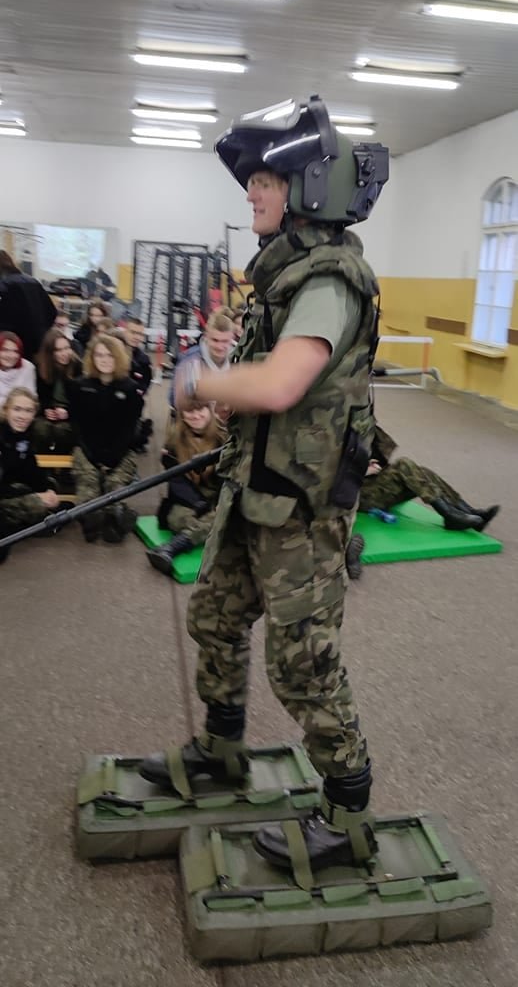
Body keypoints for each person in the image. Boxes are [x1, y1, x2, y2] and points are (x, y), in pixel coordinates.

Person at [139, 95, 389, 873]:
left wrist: (198, 382)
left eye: (264, 180)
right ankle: (221, 751)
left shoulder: (331, 278)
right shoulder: (283, 274)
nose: (250, 191)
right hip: (256, 486)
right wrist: (227, 404)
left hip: (303, 509)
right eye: (250, 179)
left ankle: (347, 813)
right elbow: (266, 389)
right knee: (214, 614)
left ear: (309, 189)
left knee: (303, 663)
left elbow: (283, 383)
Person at [359, 421, 500, 533]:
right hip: (359, 498)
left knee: (423, 473)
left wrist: (370, 463)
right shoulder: (345, 432)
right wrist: (364, 470)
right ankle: (448, 514)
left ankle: (468, 511)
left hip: (369, 486)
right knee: (404, 464)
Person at [69, 334, 142, 543]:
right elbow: (77, 426)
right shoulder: (80, 386)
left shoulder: (130, 389)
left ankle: (118, 517)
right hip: (88, 450)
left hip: (120, 451)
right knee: (87, 492)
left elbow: (129, 429)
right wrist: (92, 457)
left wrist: (113, 458)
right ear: (92, 358)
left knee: (115, 490)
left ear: (118, 357)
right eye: (99, 355)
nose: (104, 360)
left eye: (109, 355)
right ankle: (92, 518)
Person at [147, 403, 227, 575]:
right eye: (189, 411)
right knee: (181, 519)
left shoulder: (224, 438)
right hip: (187, 501)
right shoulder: (173, 441)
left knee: (221, 519)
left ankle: (171, 547)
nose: (195, 415)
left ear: (209, 410)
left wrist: (218, 505)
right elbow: (176, 482)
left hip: (217, 499)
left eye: (200, 410)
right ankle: (202, 533)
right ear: (182, 414)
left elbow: (230, 477)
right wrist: (198, 504)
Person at [0, 387, 60, 564]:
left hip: (9, 488)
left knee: (53, 495)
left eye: (28, 411)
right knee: (38, 507)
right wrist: (35, 496)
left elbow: (31, 469)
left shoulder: (23, 436)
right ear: (6, 410)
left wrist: (47, 490)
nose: (22, 416)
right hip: (4, 491)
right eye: (17, 409)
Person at [169, 309, 234, 410]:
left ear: (232, 338)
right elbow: (174, 400)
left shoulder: (238, 359)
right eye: (215, 340)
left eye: (225, 341)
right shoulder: (189, 361)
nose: (220, 347)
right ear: (206, 336)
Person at [0, 250, 56, 360]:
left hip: (13, 348)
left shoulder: (3, 286)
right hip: (39, 346)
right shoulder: (33, 282)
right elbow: (52, 312)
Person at [34, 328, 82, 453]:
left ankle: (64, 460)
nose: (64, 353)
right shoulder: (40, 367)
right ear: (50, 352)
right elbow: (38, 396)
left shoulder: (78, 368)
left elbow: (83, 401)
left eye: (67, 348)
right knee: (41, 429)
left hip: (70, 415)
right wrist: (46, 409)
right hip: (47, 413)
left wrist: (68, 412)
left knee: (62, 430)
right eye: (58, 350)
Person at [123, 317, 153, 452]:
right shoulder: (113, 352)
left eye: (140, 334)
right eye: (133, 332)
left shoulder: (144, 359)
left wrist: (139, 393)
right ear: (125, 331)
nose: (136, 337)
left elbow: (146, 382)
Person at [0, 332, 37, 410]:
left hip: (21, 413)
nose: (10, 355)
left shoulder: (27, 367)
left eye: (15, 351)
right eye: (5, 350)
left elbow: (31, 399)